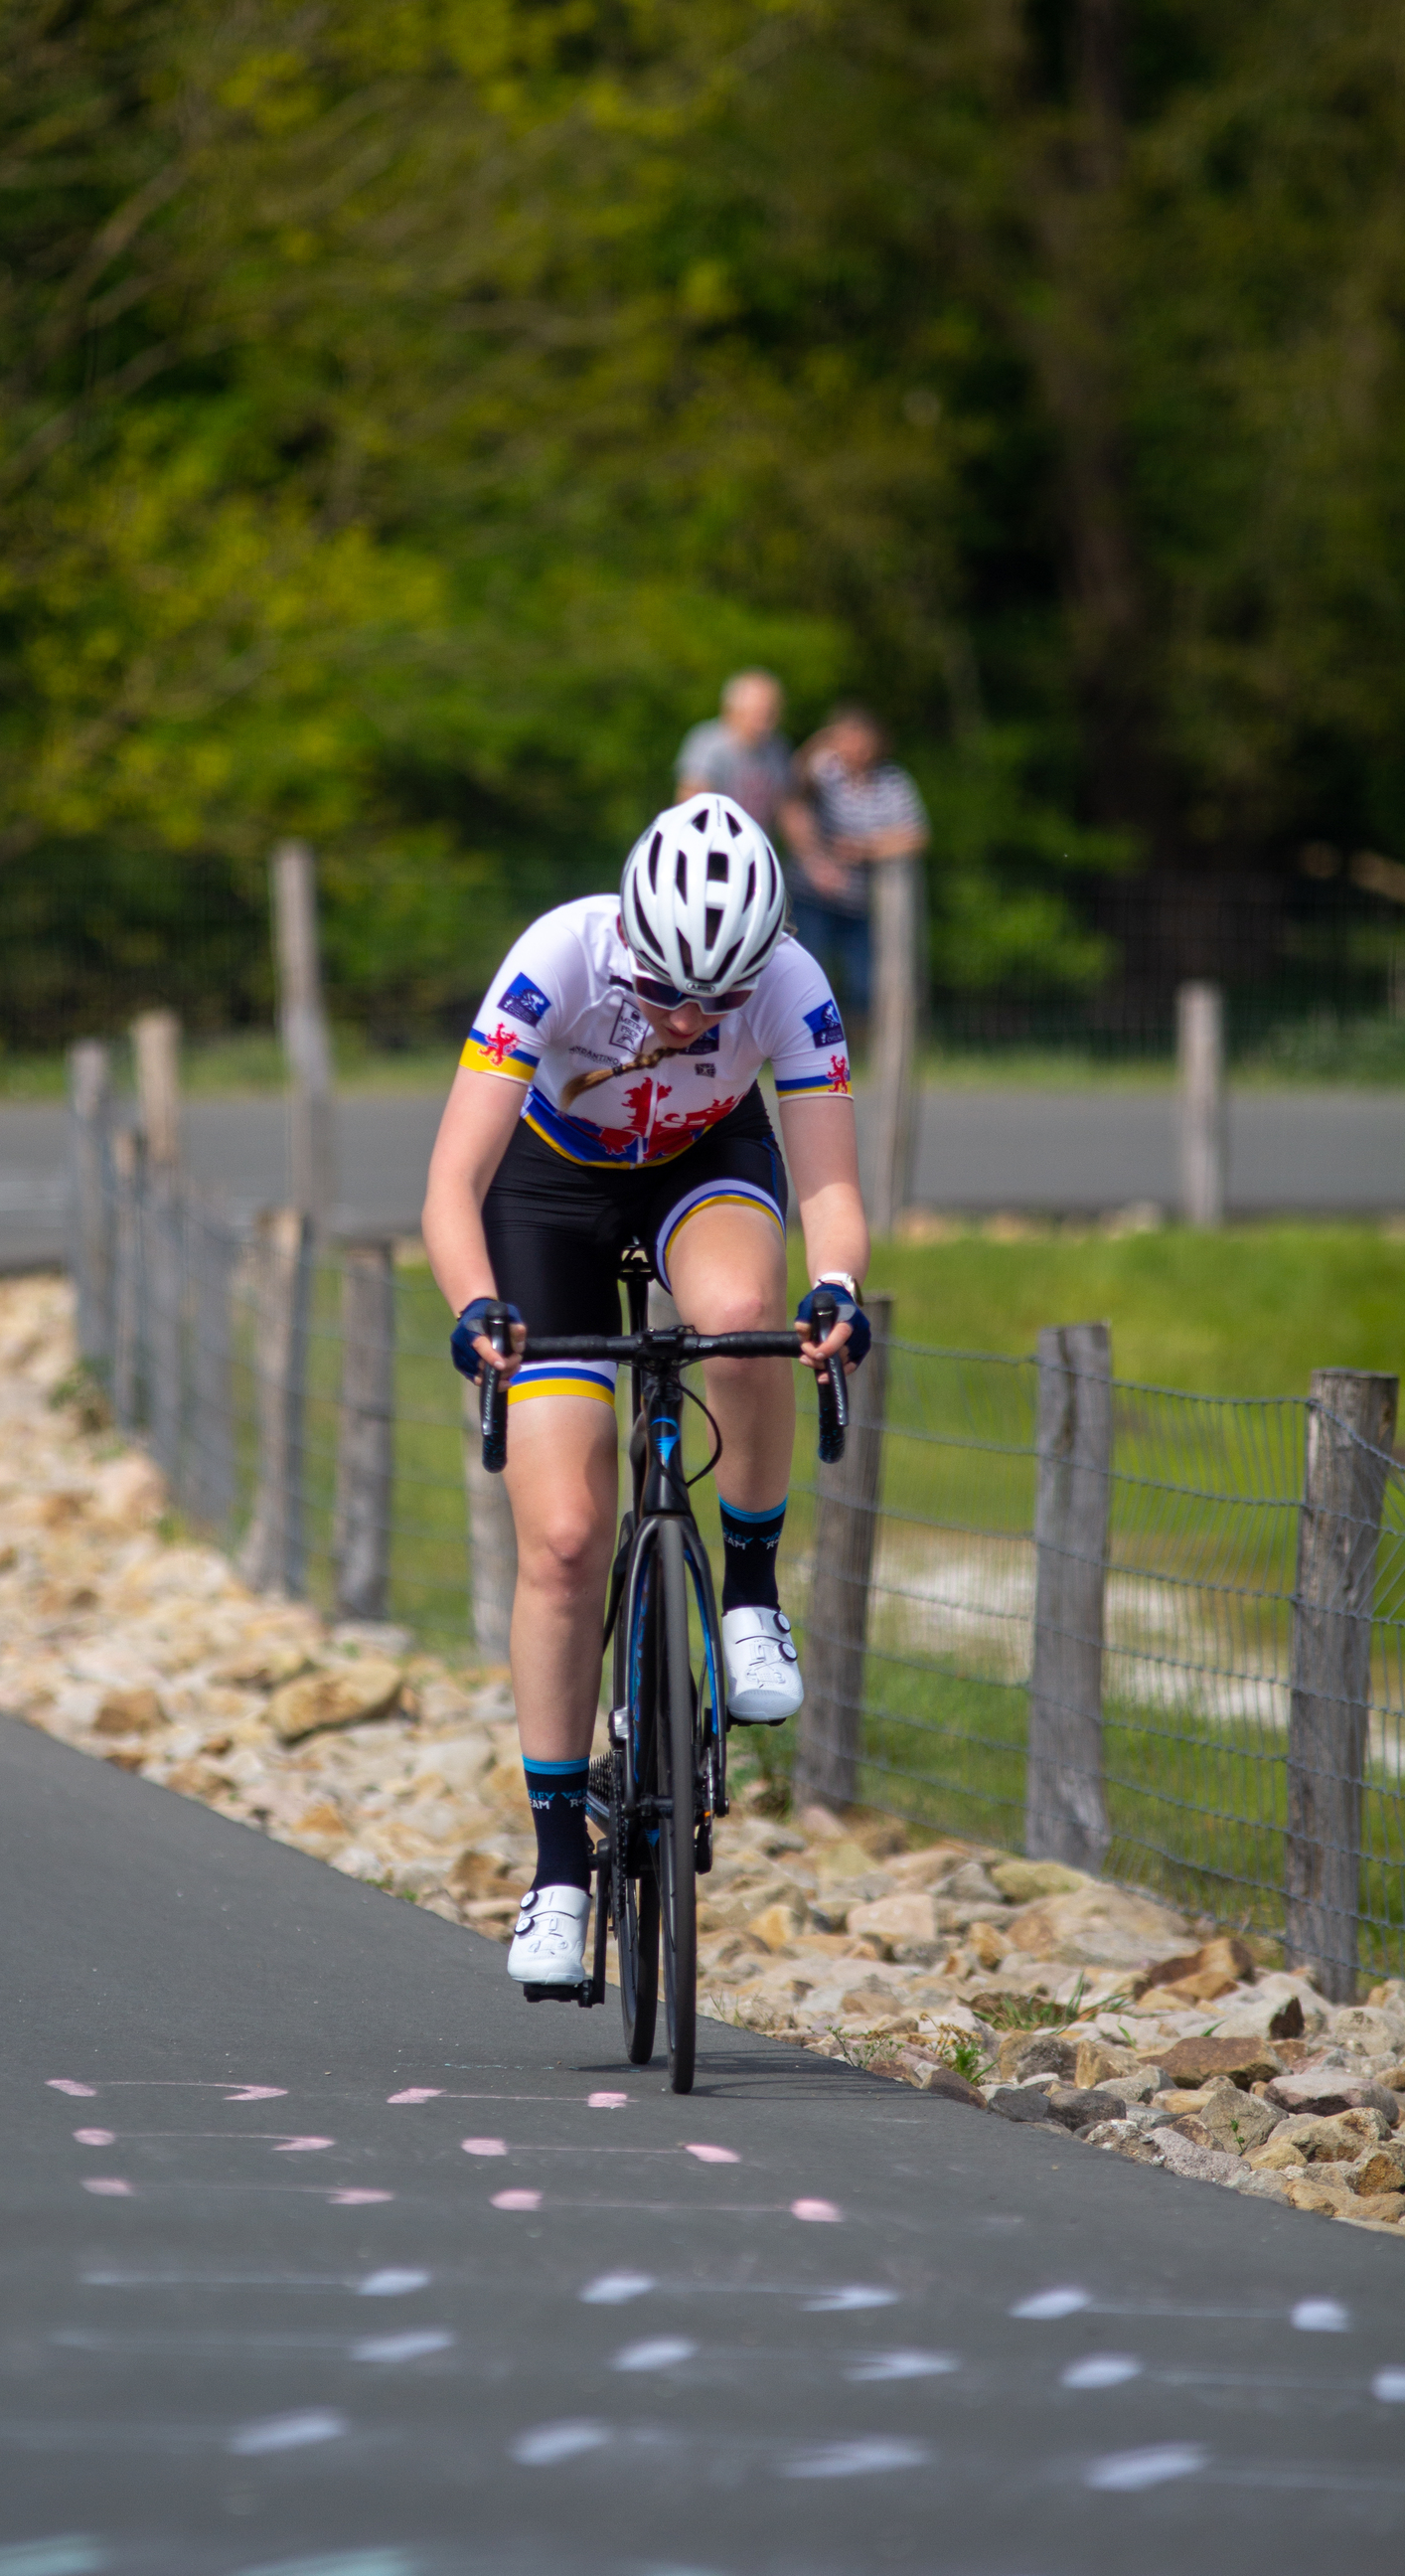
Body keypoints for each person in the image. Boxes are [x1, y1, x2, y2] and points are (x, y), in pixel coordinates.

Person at [421, 795, 870, 1990]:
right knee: (563, 1540)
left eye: (717, 1005)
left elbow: (828, 1185)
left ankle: (751, 1592)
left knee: (741, 1321)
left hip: (702, 1170)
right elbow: (451, 1184)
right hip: (550, 1195)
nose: (686, 1020)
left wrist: (835, 1286)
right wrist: (477, 1308)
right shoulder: (554, 958)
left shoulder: (793, 979)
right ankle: (559, 1869)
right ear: (630, 934)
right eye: (668, 992)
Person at [779, 703, 927, 1038]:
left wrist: (864, 848)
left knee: (867, 984)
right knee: (805, 976)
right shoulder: (823, 773)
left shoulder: (892, 781)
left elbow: (915, 836)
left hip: (861, 902)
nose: (856, 749)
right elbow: (792, 790)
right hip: (812, 896)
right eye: (847, 739)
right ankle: (799, 1042)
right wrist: (822, 742)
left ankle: (856, 1046)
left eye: (863, 740)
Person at [675, 670, 794, 837]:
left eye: (770, 713)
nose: (764, 723)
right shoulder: (708, 743)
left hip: (754, 847)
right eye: (757, 713)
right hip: (713, 844)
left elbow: (787, 809)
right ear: (732, 711)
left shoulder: (777, 748)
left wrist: (814, 856)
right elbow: (692, 804)